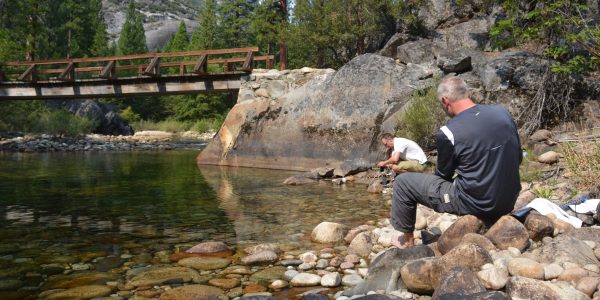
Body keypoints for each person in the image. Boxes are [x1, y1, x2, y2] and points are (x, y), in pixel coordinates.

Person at [390, 76, 522, 249]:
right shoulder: (502, 113)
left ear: (445, 101)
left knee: (402, 183)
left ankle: (406, 240)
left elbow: (443, 175)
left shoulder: (448, 132)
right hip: (508, 199)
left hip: (477, 204)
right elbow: (518, 156)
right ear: (466, 93)